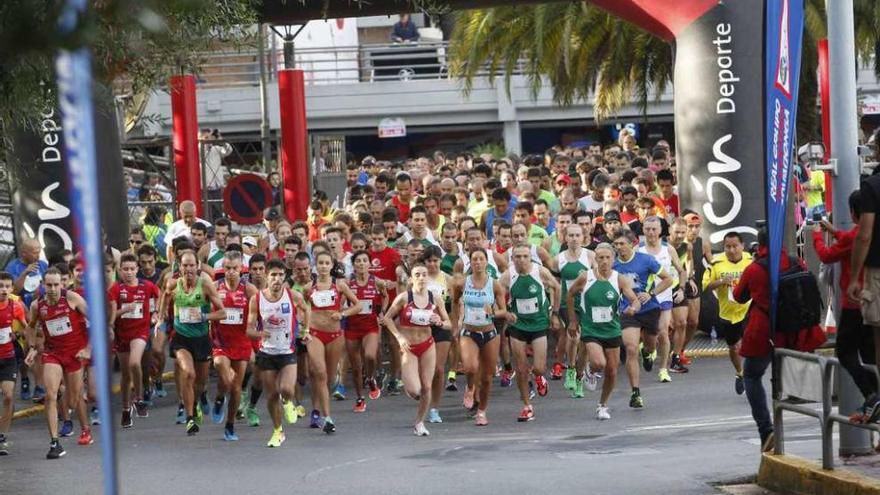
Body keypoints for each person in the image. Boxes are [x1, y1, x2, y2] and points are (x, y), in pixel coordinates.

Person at [734, 227, 826, 451]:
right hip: (794, 331)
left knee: (752, 376)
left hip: (764, 331)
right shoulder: (796, 261)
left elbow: (738, 296)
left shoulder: (754, 268)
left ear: (759, 244)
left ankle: (766, 430)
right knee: (782, 373)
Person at [813, 192, 878, 417]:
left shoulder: (854, 237)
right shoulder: (868, 233)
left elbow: (826, 255)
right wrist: (833, 231)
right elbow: (855, 237)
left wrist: (816, 237)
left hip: (853, 304)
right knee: (870, 355)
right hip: (872, 301)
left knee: (845, 351)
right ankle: (876, 399)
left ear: (852, 212)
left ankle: (872, 394)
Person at [566, 243, 640, 419]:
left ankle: (602, 405)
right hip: (591, 328)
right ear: (595, 260)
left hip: (612, 329)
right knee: (599, 363)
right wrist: (573, 320)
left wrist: (633, 308)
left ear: (613, 260)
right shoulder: (586, 277)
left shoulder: (619, 279)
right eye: (601, 258)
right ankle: (590, 371)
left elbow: (634, 299)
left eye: (608, 258)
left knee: (612, 371)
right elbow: (570, 294)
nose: (604, 261)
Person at [25, 268, 93, 459]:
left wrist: (88, 348)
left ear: (62, 284)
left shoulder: (72, 298)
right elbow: (30, 327)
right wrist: (32, 347)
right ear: (43, 285)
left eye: (56, 284)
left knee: (73, 399)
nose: (53, 289)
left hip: (75, 354)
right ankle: (54, 443)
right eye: (49, 285)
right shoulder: (37, 306)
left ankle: (85, 428)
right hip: (52, 353)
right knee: (49, 395)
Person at [157, 252, 226, 436]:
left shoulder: (205, 286)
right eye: (184, 265)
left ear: (198, 266)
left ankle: (198, 399)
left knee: (201, 383)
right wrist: (160, 317)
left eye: (191, 265)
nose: (188, 269)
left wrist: (204, 316)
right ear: (179, 267)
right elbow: (165, 295)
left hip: (201, 339)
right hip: (181, 339)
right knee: (188, 373)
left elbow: (222, 313)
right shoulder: (173, 284)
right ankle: (189, 418)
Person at [247, 259, 310, 448]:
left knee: (286, 389)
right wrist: (259, 333)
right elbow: (249, 329)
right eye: (273, 274)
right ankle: (277, 431)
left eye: (281, 275)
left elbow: (306, 311)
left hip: (287, 350)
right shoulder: (257, 299)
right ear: (267, 275)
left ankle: (289, 402)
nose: (277, 278)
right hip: (266, 353)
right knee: (272, 395)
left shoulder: (293, 296)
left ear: (285, 277)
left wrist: (305, 331)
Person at [384, 261, 451, 436]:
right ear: (412, 279)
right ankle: (416, 393)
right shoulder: (404, 298)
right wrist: (399, 337)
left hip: (427, 344)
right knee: (415, 390)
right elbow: (387, 318)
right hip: (409, 347)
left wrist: (440, 322)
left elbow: (448, 324)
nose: (421, 278)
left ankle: (419, 423)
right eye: (417, 275)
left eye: (424, 274)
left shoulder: (434, 298)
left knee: (427, 387)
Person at [499, 244, 561, 422]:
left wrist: (554, 313)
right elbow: (497, 294)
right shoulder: (508, 275)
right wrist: (505, 312)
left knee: (539, 367)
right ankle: (527, 406)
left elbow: (557, 288)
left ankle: (539, 377)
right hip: (518, 325)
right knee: (520, 368)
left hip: (539, 323)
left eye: (525, 256)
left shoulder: (539, 272)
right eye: (518, 257)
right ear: (513, 259)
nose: (522, 260)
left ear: (530, 257)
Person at [611, 229, 672, 408]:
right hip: (628, 310)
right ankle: (635, 393)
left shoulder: (645, 260)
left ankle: (647, 352)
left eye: (622, 243)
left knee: (651, 343)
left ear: (632, 244)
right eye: (616, 244)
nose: (619, 247)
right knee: (631, 349)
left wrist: (650, 292)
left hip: (649, 308)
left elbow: (668, 280)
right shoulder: (614, 267)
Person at [305, 251, 362, 434]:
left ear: (331, 265)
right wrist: (304, 325)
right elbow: (301, 307)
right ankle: (327, 417)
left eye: (326, 263)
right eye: (320, 263)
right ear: (315, 265)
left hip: (335, 335)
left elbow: (358, 305)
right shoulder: (309, 287)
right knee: (319, 373)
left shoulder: (340, 285)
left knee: (328, 378)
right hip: (314, 334)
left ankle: (316, 408)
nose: (323, 266)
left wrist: (342, 313)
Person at [450, 249, 508, 425]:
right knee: (470, 367)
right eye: (474, 259)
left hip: (489, 332)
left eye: (481, 259)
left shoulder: (495, 284)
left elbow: (504, 310)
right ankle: (469, 387)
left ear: (486, 262)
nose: (478, 262)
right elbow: (454, 302)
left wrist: (495, 312)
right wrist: (454, 325)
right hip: (469, 331)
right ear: (470, 262)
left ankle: (482, 410)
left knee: (487, 377)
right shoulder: (462, 283)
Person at [108, 253, 160, 427]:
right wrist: (124, 310)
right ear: (120, 270)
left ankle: (139, 398)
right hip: (122, 334)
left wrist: (156, 314)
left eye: (132, 269)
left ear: (137, 270)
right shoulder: (115, 290)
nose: (129, 272)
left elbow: (159, 299)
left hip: (140, 332)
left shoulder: (147, 287)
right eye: (125, 269)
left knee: (135, 363)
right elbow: (109, 316)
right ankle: (125, 409)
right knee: (125, 375)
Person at [210, 251, 258, 441]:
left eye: (235, 268)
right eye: (227, 268)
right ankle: (220, 397)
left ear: (241, 269)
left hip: (241, 342)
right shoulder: (214, 287)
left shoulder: (249, 290)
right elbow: (203, 308)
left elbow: (259, 313)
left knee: (235, 388)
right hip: (220, 341)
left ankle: (229, 425)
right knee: (222, 368)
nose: (231, 272)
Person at [638, 216, 686, 383]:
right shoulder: (638, 250)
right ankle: (647, 349)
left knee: (663, 332)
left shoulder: (668, 249)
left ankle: (663, 369)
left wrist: (681, 289)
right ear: (643, 230)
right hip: (644, 299)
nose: (651, 232)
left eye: (654, 229)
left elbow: (681, 271)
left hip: (664, 296)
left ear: (661, 231)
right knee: (648, 336)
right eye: (647, 229)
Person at [702, 232, 752, 394]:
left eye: (735, 246)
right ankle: (740, 373)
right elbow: (706, 286)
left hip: (748, 309)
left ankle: (751, 375)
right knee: (733, 347)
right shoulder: (716, 263)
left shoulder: (750, 261)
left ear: (742, 246)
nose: (731, 250)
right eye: (728, 247)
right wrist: (721, 281)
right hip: (728, 313)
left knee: (750, 344)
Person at [549, 224, 595, 392]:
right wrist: (553, 310)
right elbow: (554, 286)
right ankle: (571, 368)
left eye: (577, 235)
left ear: (583, 237)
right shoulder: (558, 260)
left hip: (586, 303)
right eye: (571, 235)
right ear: (565, 237)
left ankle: (580, 374)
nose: (574, 238)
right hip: (566, 304)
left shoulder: (590, 256)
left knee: (586, 342)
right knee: (573, 337)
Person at [346, 250, 389, 412]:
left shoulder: (376, 281)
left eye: (365, 260)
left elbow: (385, 296)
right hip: (351, 326)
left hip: (370, 326)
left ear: (369, 264)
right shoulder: (348, 282)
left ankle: (371, 378)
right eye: (358, 261)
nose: (362, 263)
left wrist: (382, 311)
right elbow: (341, 300)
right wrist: (344, 308)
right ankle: (360, 398)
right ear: (354, 264)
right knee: (356, 367)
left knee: (370, 356)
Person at [6, 238, 48, 401]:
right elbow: (13, 291)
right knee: (24, 351)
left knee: (38, 348)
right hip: (19, 314)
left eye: (39, 250)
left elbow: (49, 283)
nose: (38, 254)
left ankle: (39, 386)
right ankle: (24, 379)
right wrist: (25, 273)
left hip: (39, 312)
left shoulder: (43, 265)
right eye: (34, 251)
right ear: (24, 253)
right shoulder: (13, 267)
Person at [0, 272, 28, 455]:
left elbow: (27, 328)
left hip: (8, 357)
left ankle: (2, 435)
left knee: (9, 396)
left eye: (7, 287)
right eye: (1, 286)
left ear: (12, 289)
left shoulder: (15, 306)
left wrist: (29, 343)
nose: (3, 290)